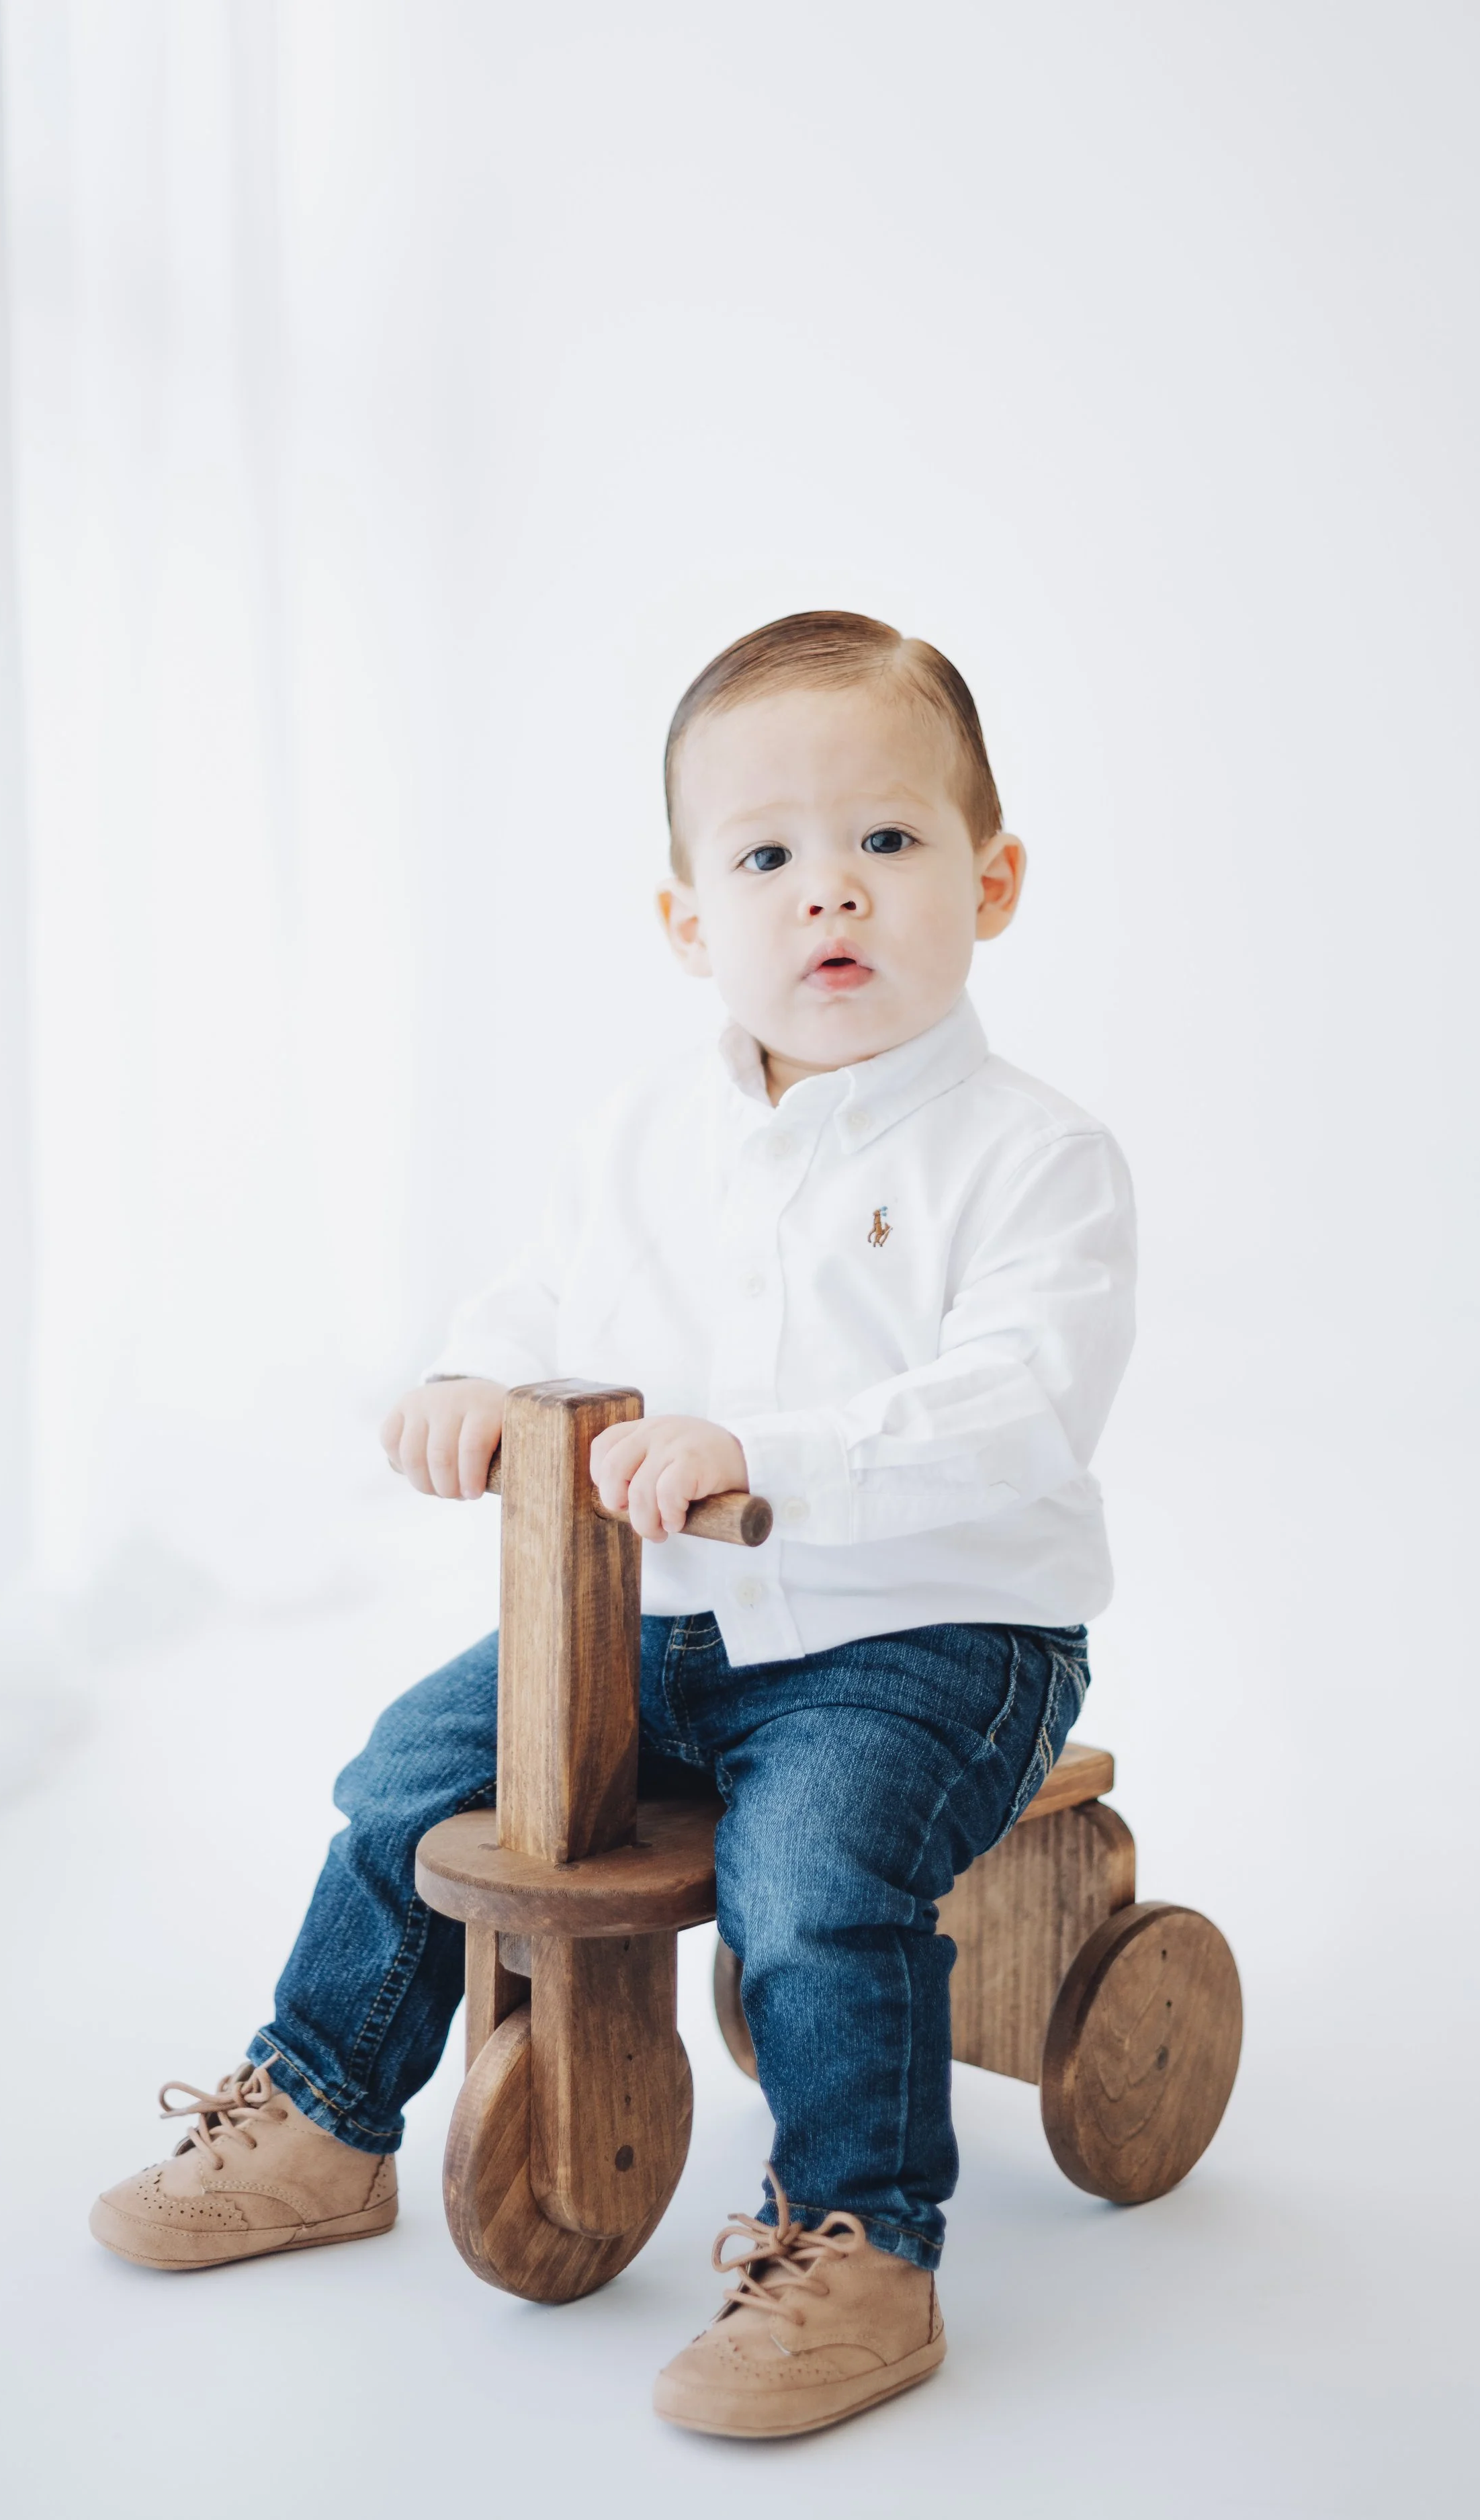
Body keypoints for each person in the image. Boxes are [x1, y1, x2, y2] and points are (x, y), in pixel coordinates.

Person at [90, 610, 1136, 2439]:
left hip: (929, 1641)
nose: (831, 894)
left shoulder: (1031, 1157)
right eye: (767, 857)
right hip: (663, 1627)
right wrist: (472, 1380)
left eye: (885, 842)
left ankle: (857, 2238)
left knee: (808, 1884)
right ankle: (326, 2107)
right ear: (685, 921)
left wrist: (770, 1445)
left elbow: (1019, 1403)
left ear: (995, 877)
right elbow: (541, 1301)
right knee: (414, 1777)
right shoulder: (642, 1135)